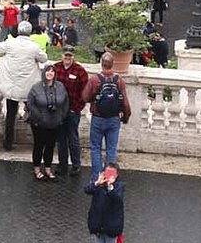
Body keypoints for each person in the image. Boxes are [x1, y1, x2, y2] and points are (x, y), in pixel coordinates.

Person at [0, 20, 48, 150]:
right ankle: (37, 142)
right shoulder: (34, 47)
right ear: (30, 33)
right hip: (28, 87)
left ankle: (8, 143)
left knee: (11, 115)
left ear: (18, 31)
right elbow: (44, 58)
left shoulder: (11, 43)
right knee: (34, 113)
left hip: (11, 86)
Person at [83, 51, 132, 183]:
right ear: (113, 64)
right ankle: (110, 178)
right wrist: (125, 117)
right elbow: (125, 103)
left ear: (101, 64)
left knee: (95, 148)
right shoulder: (119, 80)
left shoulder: (95, 80)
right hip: (114, 119)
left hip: (98, 118)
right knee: (111, 149)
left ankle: (97, 178)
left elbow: (85, 97)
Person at [26, 63, 70, 180]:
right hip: (39, 124)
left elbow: (65, 102)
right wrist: (39, 116)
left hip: (55, 122)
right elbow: (30, 103)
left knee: (50, 146)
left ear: (55, 74)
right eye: (47, 71)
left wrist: (61, 116)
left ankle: (48, 168)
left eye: (52, 71)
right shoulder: (36, 87)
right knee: (39, 146)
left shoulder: (60, 87)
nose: (49, 73)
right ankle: (36, 168)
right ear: (44, 73)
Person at [54, 46, 88, 175]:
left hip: (73, 110)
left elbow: (85, 92)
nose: (67, 58)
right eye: (65, 56)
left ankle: (76, 165)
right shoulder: (55, 68)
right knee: (60, 138)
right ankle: (62, 164)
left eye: (70, 56)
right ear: (62, 55)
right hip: (59, 110)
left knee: (73, 137)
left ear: (73, 57)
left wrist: (77, 107)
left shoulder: (80, 71)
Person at [85, 162, 125, 243]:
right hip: (98, 225)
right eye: (107, 173)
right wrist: (96, 183)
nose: (109, 176)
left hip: (111, 227)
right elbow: (87, 190)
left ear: (117, 175)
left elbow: (117, 200)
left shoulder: (119, 186)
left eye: (112, 173)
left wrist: (110, 187)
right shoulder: (99, 184)